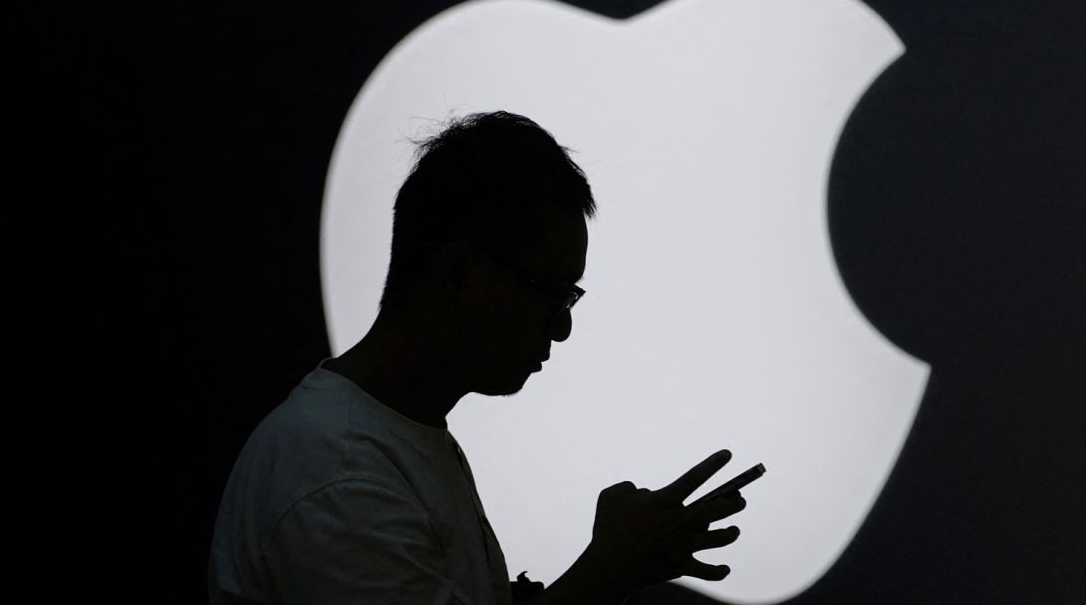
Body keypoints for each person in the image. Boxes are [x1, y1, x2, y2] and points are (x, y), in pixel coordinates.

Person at [209, 111, 747, 605]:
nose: (562, 327)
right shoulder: (339, 475)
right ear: (460, 274)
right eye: (550, 292)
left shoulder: (391, 439)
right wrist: (607, 570)